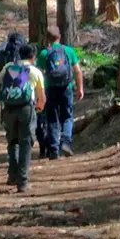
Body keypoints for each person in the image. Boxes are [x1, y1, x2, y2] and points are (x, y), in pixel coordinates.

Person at [0, 43, 46, 192]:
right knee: (25, 143)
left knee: (12, 141)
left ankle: (12, 175)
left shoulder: (9, 67)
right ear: (33, 57)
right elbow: (42, 97)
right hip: (26, 109)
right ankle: (22, 181)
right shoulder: (35, 71)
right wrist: (39, 108)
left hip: (8, 109)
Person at [36, 26, 84, 158]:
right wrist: (80, 88)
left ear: (47, 39)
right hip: (66, 88)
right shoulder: (69, 51)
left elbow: (37, 74)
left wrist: (38, 93)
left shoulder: (44, 54)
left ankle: (54, 151)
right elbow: (78, 71)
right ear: (60, 36)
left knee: (51, 118)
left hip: (49, 89)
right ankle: (66, 142)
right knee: (67, 117)